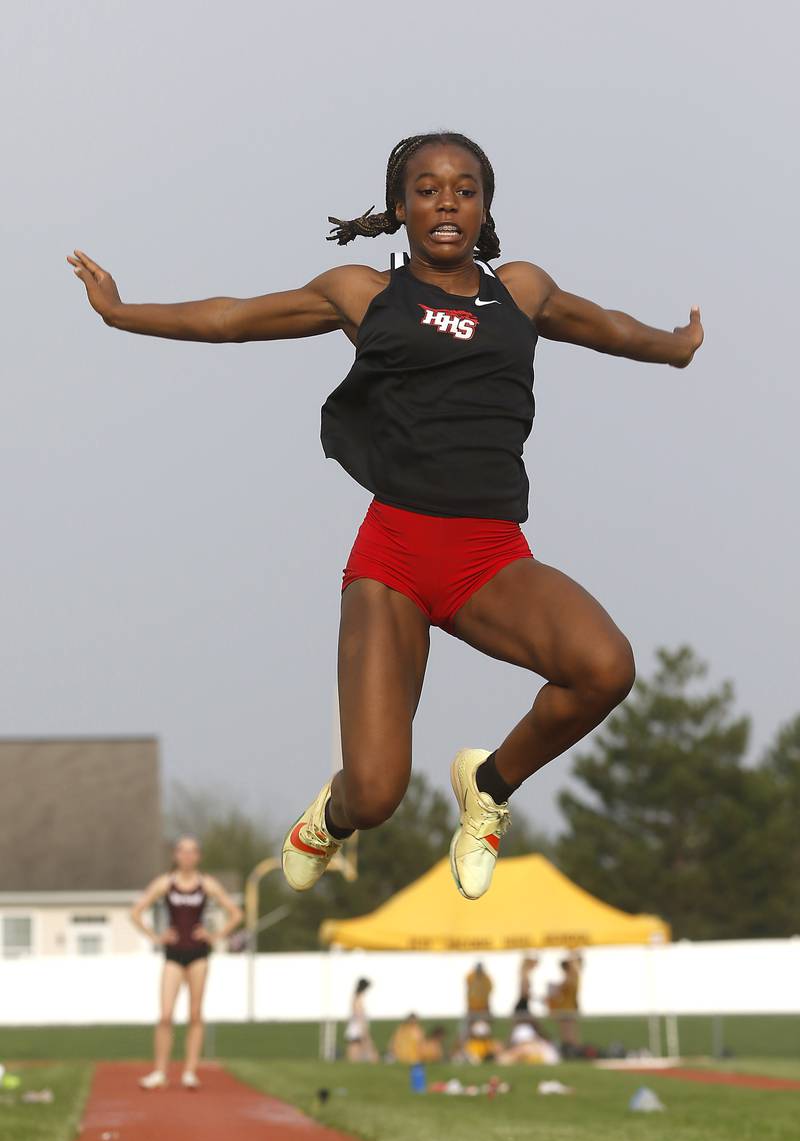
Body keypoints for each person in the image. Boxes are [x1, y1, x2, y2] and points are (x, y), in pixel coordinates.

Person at [68, 132, 703, 905]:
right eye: (428, 189)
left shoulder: (522, 292)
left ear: (485, 207)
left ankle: (489, 786)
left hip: (490, 560)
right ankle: (327, 820)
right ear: (400, 207)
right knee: (375, 796)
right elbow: (232, 318)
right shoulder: (364, 293)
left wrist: (675, 346)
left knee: (607, 668)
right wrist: (121, 312)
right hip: (394, 562)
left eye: (464, 189)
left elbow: (607, 327)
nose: (447, 202)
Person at [131, 836, 242, 1090]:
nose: (187, 856)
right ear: (175, 856)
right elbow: (136, 912)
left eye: (192, 852)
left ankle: (190, 1072)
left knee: (194, 1014)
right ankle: (159, 1072)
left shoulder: (207, 884)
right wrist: (156, 937)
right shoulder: (165, 883)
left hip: (198, 955)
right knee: (166, 1015)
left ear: (199, 856)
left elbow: (236, 913)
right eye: (182, 851)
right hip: (173, 954)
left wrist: (214, 935)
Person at [547, 952, 583, 1050]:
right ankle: (571, 1049)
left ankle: (573, 1050)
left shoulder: (572, 976)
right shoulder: (573, 976)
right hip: (567, 1008)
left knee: (568, 1033)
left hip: (567, 1009)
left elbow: (560, 989)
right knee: (568, 1032)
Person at [345, 977, 378, 1063]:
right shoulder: (357, 998)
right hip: (357, 1026)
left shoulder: (356, 997)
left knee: (357, 1045)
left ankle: (357, 1061)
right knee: (356, 1045)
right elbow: (358, 1014)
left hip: (356, 1026)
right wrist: (363, 1027)